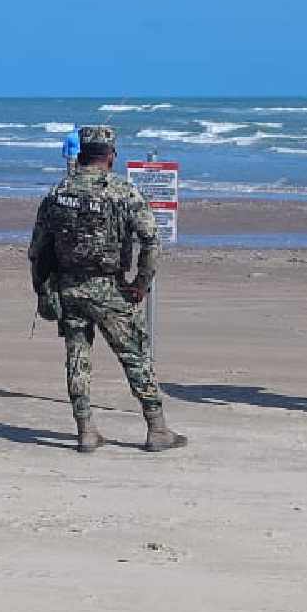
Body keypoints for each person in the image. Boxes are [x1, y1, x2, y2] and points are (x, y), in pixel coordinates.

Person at [28, 125, 187, 453]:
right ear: (111, 156)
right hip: (109, 288)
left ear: (82, 154)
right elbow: (151, 242)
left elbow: (38, 249)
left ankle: (85, 429)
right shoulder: (122, 192)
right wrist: (142, 283)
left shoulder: (58, 192)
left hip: (69, 287)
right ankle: (156, 428)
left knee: (77, 356)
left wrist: (43, 290)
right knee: (134, 356)